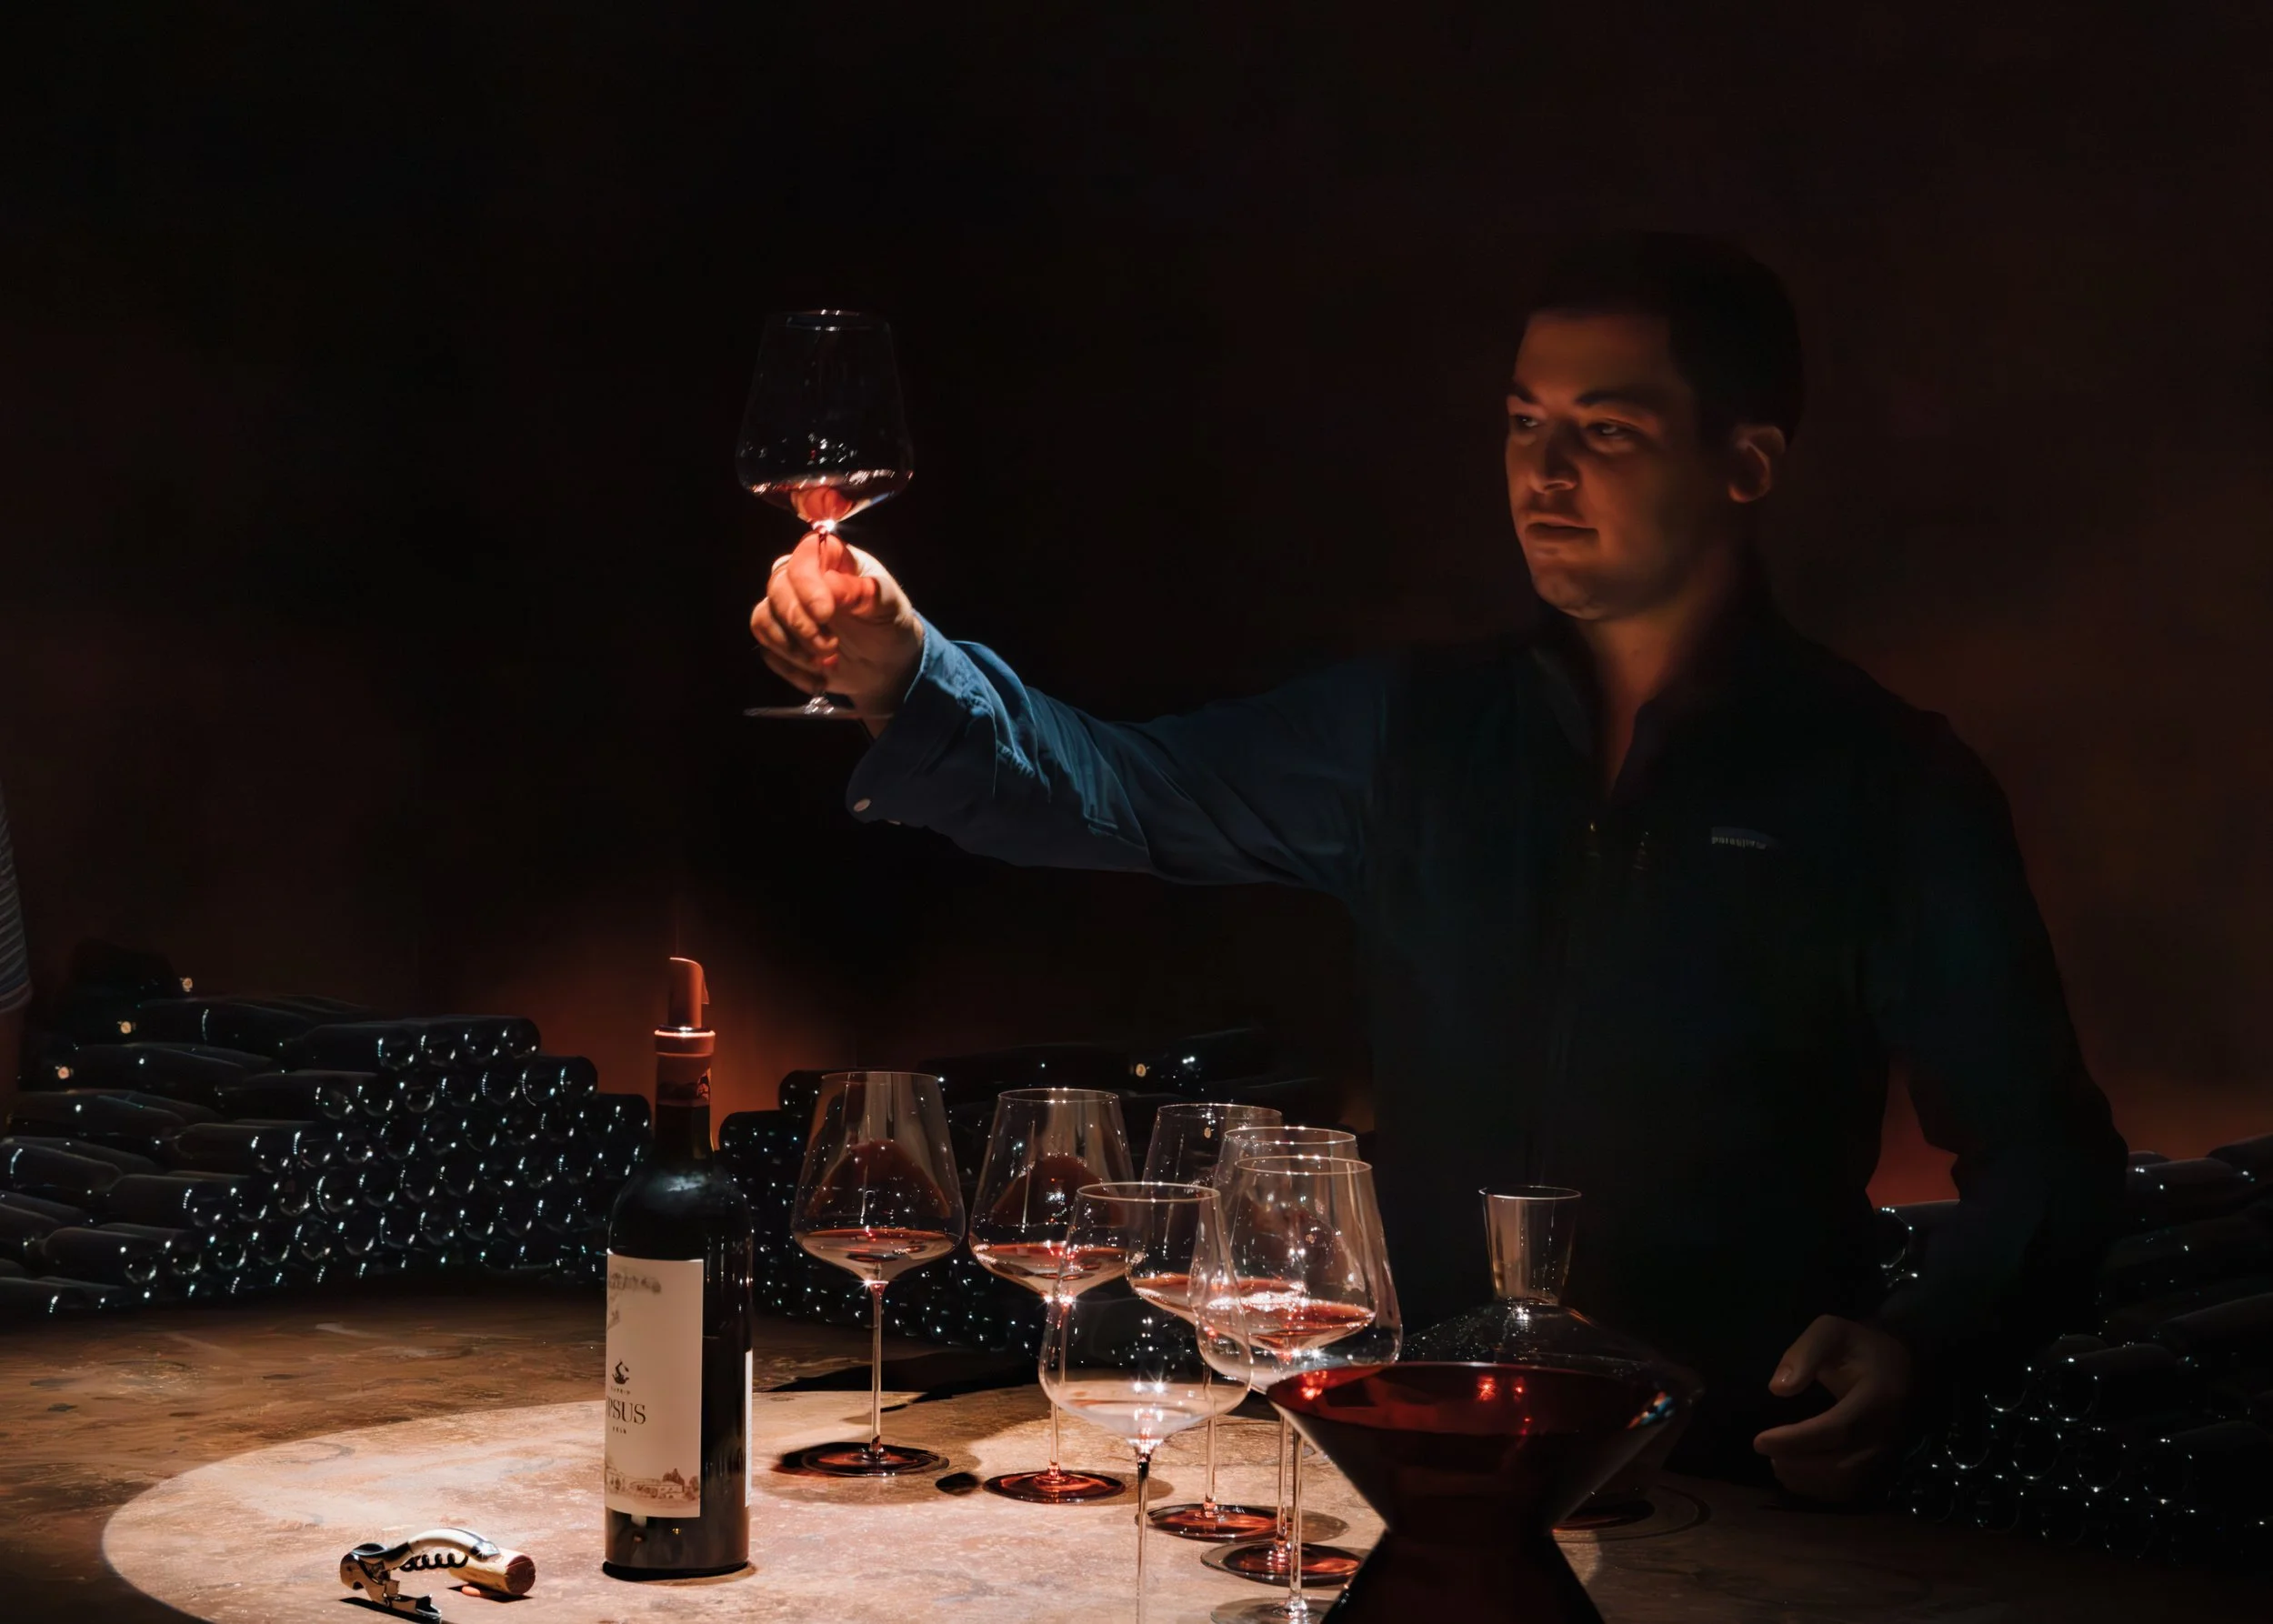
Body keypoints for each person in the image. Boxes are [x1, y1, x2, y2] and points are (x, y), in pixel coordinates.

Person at [748, 232, 2126, 1500]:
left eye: (1608, 430)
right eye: (1525, 422)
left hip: (1722, 1471)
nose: (1545, 472)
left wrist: (1921, 1342)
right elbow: (1116, 787)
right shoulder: (1414, 731)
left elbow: (2049, 1159)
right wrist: (909, 670)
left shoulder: (1882, 778)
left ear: (1746, 464)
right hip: (1410, 1457)